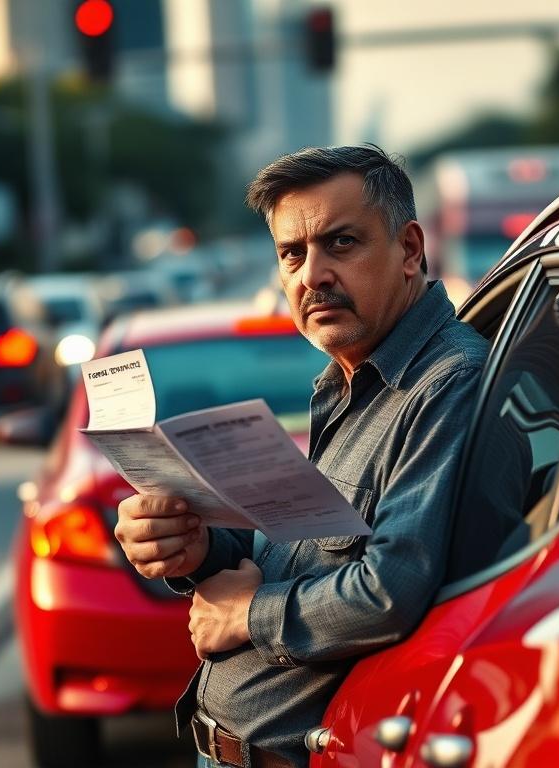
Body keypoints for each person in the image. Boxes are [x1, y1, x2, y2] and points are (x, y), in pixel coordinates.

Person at [115, 145, 490, 768]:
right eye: (292, 253)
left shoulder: (447, 384)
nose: (310, 275)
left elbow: (389, 590)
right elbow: (301, 556)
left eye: (340, 244)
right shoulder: (344, 382)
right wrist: (196, 546)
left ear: (410, 250)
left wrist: (247, 613)